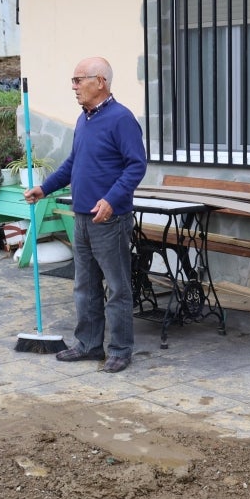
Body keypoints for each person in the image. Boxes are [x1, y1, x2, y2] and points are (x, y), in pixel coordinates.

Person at [24, 57, 147, 373]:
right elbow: (72, 164)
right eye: (74, 80)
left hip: (110, 219)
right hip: (81, 217)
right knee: (85, 285)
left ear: (101, 82)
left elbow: (136, 165)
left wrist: (112, 199)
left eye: (79, 80)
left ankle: (120, 349)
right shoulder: (84, 120)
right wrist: (44, 188)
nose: (74, 86)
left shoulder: (121, 119)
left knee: (117, 287)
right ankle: (90, 345)